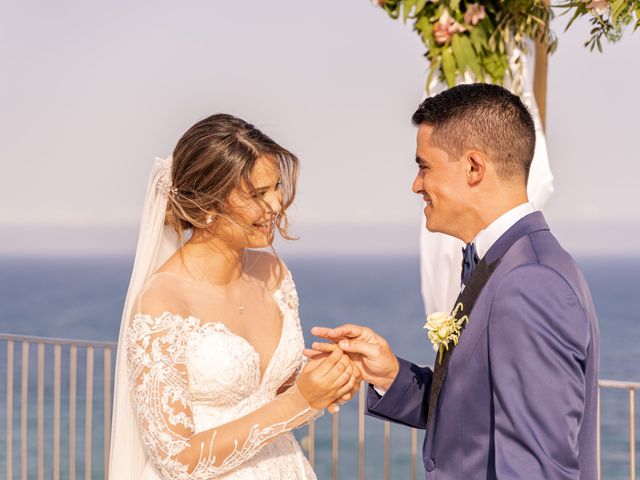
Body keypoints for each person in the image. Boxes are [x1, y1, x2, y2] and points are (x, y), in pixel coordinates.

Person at [309, 84, 599, 479]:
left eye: (424, 166)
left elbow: (540, 467)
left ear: (474, 168)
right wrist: (391, 374)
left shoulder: (530, 282)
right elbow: (473, 414)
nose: (415, 184)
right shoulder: (507, 262)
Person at [108, 114, 360, 480]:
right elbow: (176, 461)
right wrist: (299, 402)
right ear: (209, 204)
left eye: (275, 187)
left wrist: (328, 378)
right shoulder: (163, 302)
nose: (275, 205)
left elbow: (275, 392)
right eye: (257, 194)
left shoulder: (274, 274)